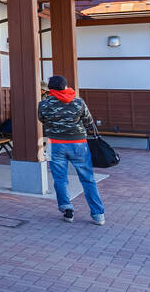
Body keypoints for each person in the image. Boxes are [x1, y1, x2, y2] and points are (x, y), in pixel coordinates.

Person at [38, 74, 105, 225]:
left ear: (50, 89)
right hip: (79, 144)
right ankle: (98, 214)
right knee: (88, 179)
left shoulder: (44, 104)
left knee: (60, 178)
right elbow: (88, 121)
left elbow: (42, 119)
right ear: (66, 86)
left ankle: (67, 209)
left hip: (56, 144)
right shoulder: (78, 102)